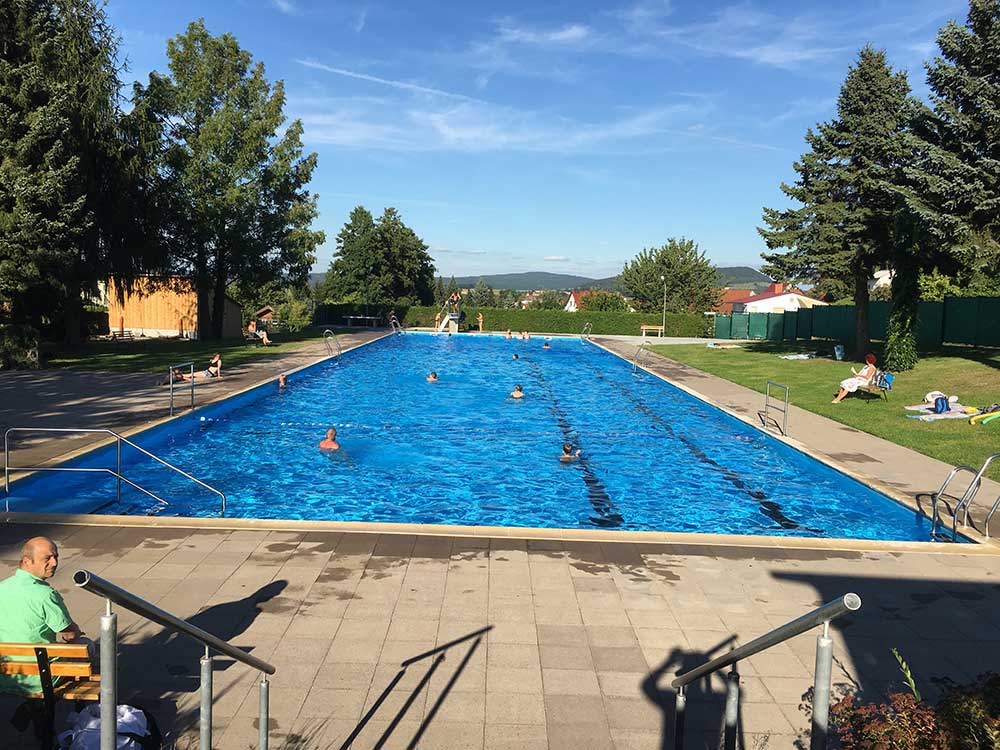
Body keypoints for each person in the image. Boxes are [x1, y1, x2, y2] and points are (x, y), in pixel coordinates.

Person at [0, 537, 86, 695]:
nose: (54, 563)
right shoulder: (46, 595)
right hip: (40, 678)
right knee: (84, 648)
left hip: (7, 675)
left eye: (56, 557)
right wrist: (77, 633)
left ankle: (33, 709)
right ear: (27, 561)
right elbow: (69, 634)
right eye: (47, 558)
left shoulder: (2, 588)